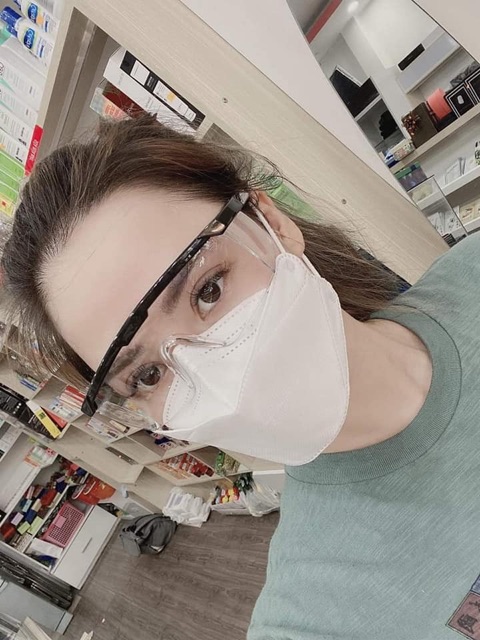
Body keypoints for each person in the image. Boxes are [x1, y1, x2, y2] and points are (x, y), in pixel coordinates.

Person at [2, 115, 479, 640]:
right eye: (149, 373)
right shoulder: (312, 617)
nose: (213, 371)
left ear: (272, 224)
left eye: (208, 289)